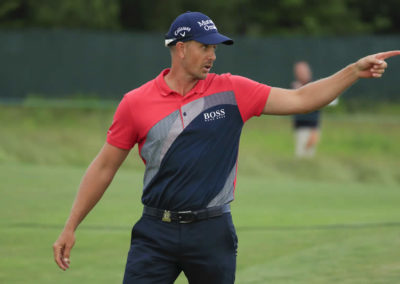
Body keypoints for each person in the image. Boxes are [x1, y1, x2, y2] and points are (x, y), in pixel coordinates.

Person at [52, 11, 399, 284]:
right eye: (205, 47)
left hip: (212, 233)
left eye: (215, 48)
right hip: (154, 233)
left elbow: (302, 98)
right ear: (181, 48)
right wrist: (71, 226)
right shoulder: (135, 103)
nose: (213, 55)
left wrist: (354, 71)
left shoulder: (234, 91)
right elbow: (104, 167)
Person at [291, 61, 321, 158]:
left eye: (302, 71)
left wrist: (314, 130)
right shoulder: (296, 86)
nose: (300, 74)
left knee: (306, 156)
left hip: (309, 128)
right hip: (299, 127)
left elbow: (316, 110)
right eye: (298, 72)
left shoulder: (313, 86)